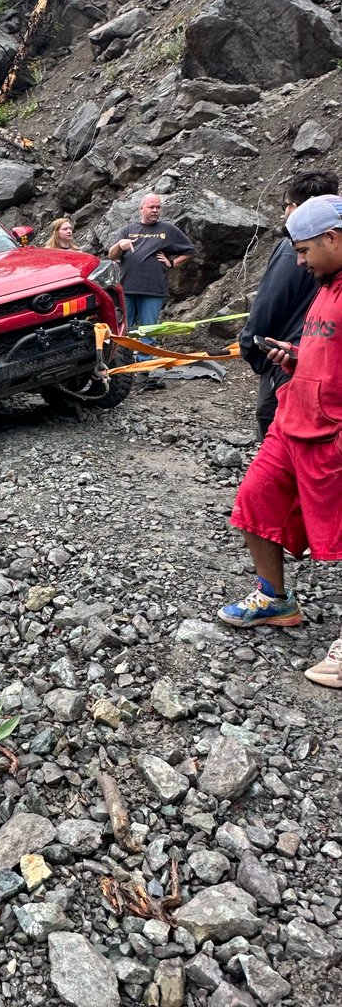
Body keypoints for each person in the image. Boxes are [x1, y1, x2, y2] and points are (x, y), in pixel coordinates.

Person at [218, 195, 342, 690]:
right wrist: (299, 361)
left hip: (330, 434)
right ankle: (274, 599)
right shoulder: (327, 284)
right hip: (292, 420)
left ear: (333, 237)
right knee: (254, 502)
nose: (299, 261)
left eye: (306, 249)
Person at [239, 170, 338, 440]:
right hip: (311, 361)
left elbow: (270, 302)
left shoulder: (292, 247)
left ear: (294, 208)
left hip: (288, 363)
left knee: (280, 434)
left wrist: (251, 347)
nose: (300, 259)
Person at [106, 193, 196, 390]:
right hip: (127, 289)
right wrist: (119, 245)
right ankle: (124, 368)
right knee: (124, 330)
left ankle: (144, 371)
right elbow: (111, 255)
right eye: (151, 207)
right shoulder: (128, 229)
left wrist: (172, 262)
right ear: (141, 209)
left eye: (158, 207)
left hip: (153, 290)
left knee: (148, 331)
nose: (155, 210)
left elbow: (189, 250)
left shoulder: (168, 230)